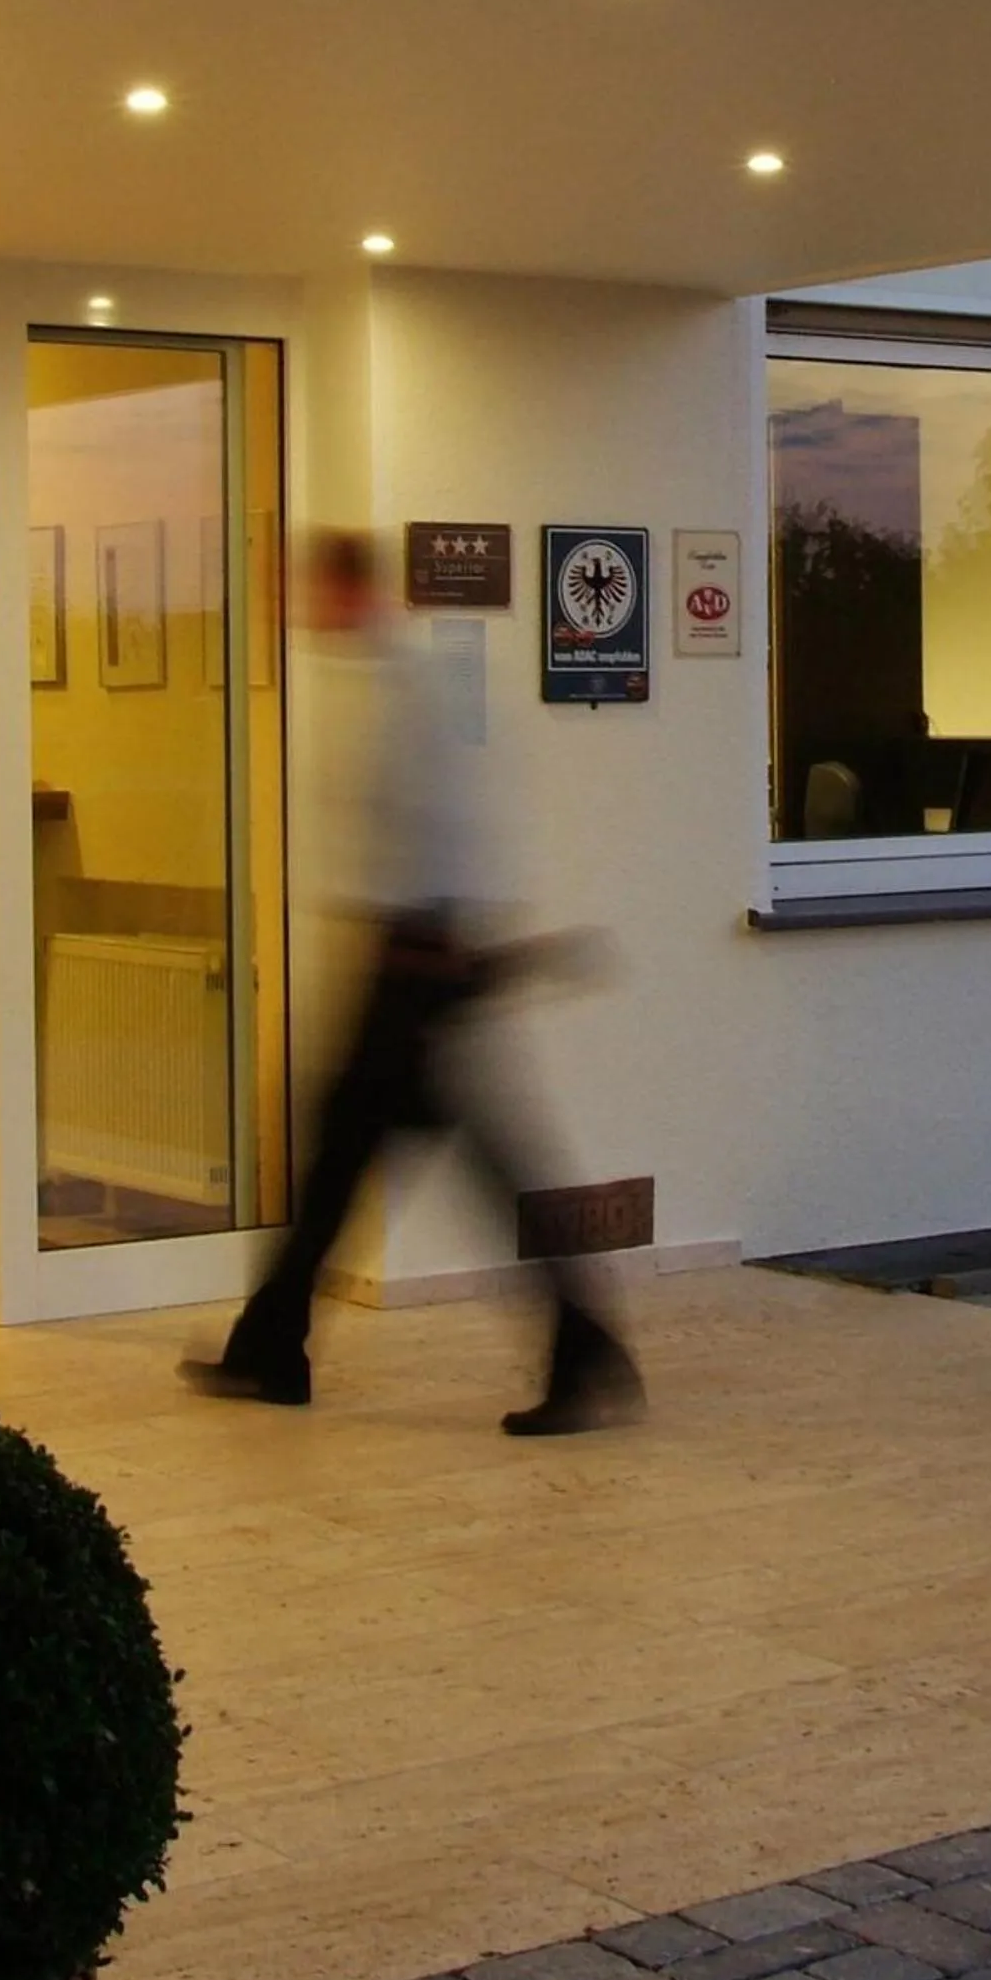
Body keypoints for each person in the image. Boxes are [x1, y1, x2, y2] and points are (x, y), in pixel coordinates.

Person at [182, 528, 646, 1436]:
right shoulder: (382, 679)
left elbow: (448, 815)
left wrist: (436, 944)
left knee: (442, 1156)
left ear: (343, 590)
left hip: (417, 960)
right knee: (353, 1152)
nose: (287, 607)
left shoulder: (412, 687)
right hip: (408, 952)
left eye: (297, 588)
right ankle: (272, 1342)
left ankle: (578, 1341)